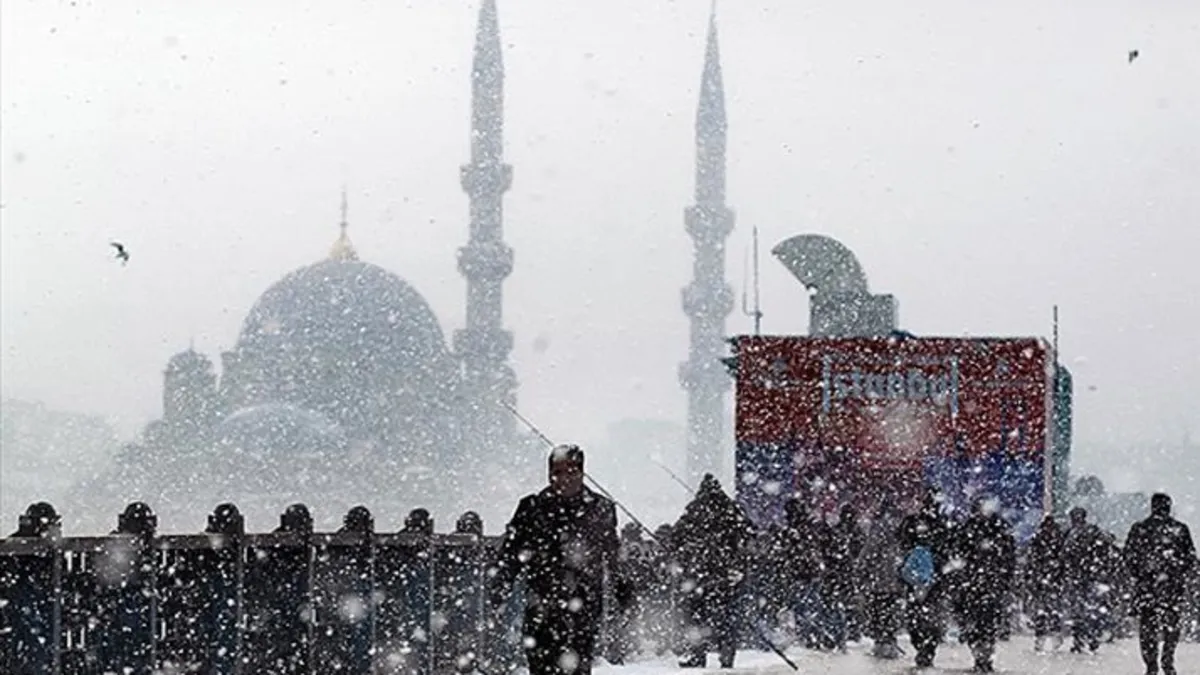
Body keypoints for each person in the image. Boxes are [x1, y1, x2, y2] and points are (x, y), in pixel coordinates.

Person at [490, 445, 631, 675]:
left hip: (583, 608)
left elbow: (613, 553)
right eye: (557, 472)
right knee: (542, 666)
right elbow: (511, 553)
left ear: (581, 473)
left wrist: (622, 585)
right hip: (542, 605)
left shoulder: (600, 508)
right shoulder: (532, 508)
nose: (563, 478)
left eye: (570, 471)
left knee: (575, 667)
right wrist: (501, 583)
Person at [1124, 493, 1196, 675]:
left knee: (1148, 627)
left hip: (1147, 586)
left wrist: (1141, 573)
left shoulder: (1140, 528)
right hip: (1172, 586)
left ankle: (1151, 663)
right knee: (1171, 626)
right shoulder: (1179, 529)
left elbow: (1128, 556)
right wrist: (1176, 570)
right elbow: (1190, 558)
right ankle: (1167, 659)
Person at [953, 497, 1017, 673]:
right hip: (978, 585)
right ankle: (981, 657)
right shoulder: (971, 529)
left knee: (984, 624)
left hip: (985, 585)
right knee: (979, 624)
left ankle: (983, 657)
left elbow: (1009, 558)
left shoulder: (995, 530)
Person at [896, 489, 953, 669]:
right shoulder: (943, 524)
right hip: (934, 581)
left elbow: (901, 544)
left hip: (915, 581)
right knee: (930, 618)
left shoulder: (912, 522)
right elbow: (949, 553)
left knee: (916, 617)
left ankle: (922, 647)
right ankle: (927, 649)